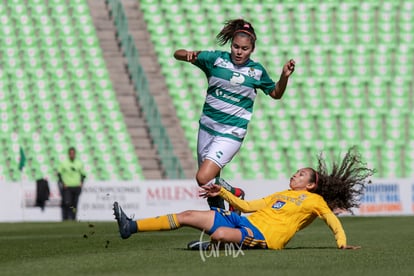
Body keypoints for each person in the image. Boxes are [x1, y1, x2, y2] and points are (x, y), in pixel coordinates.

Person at [113, 147, 374, 250]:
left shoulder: (314, 201)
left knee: (219, 236)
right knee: (187, 215)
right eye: (297, 172)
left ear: (312, 184)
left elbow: (331, 220)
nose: (296, 174)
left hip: (266, 238)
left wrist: (341, 242)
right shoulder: (280, 194)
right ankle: (130, 226)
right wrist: (221, 192)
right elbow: (248, 206)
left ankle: (211, 247)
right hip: (245, 221)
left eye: (302, 174)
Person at [173, 18, 296, 211]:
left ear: (252, 49)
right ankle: (221, 227)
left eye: (244, 48)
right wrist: (187, 54)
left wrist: (284, 77)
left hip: (231, 132)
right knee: (208, 184)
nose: (239, 52)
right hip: (206, 127)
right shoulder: (215, 59)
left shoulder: (256, 72)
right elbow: (176, 53)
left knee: (203, 177)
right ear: (231, 45)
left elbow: (276, 94)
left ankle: (235, 193)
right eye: (236, 47)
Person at [57, 147, 86, 221]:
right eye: (71, 153)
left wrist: (81, 183)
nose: (72, 155)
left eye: (73, 153)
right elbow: (59, 174)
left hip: (76, 186)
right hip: (67, 187)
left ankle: (73, 218)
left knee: (75, 204)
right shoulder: (64, 163)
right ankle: (66, 218)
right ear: (68, 154)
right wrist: (63, 183)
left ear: (75, 154)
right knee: (67, 203)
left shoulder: (79, 163)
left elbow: (83, 175)